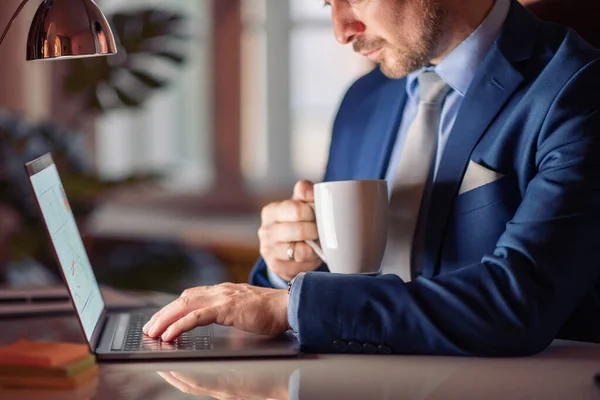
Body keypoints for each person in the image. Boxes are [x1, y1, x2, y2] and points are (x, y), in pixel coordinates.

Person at [143, 0, 600, 356]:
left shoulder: (577, 89)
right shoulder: (363, 101)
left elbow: (519, 302)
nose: (342, 30)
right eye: (327, 5)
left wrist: (292, 306)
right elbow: (337, 282)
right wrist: (290, 265)